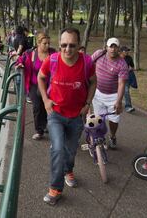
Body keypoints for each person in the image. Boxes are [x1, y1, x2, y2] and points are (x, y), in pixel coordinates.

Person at [38, 27, 96, 205]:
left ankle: (68, 170)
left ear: (79, 45)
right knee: (57, 149)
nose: (67, 49)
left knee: (70, 152)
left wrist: (87, 104)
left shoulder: (87, 62)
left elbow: (94, 82)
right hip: (55, 114)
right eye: (63, 45)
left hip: (77, 116)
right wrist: (46, 100)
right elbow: (41, 77)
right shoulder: (52, 60)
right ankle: (55, 188)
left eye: (72, 45)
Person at [16, 32, 56, 140]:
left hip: (49, 85)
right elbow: (20, 60)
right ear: (38, 43)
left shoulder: (53, 53)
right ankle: (39, 130)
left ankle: (46, 124)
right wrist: (20, 64)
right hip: (34, 84)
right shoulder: (30, 53)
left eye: (48, 43)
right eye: (44, 43)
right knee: (37, 107)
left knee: (47, 106)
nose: (47, 45)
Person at [91, 38, 129, 149]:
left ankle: (112, 136)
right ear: (106, 47)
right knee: (99, 117)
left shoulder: (122, 64)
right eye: (110, 46)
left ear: (118, 48)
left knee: (114, 120)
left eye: (115, 47)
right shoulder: (99, 54)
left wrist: (118, 101)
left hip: (113, 95)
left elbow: (122, 83)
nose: (112, 49)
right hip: (98, 93)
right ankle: (100, 137)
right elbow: (88, 63)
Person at [119, 46, 136, 112]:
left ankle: (128, 106)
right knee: (116, 91)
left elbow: (132, 67)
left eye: (127, 51)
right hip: (116, 77)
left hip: (125, 77)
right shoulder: (117, 57)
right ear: (121, 51)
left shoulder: (129, 58)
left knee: (126, 91)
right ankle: (115, 103)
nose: (127, 52)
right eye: (125, 51)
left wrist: (130, 69)